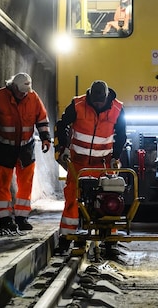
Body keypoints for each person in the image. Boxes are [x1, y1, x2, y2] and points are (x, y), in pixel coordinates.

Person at [54, 80, 127, 252]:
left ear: (107, 96)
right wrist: (63, 148)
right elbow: (62, 124)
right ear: (90, 96)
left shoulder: (117, 109)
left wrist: (115, 157)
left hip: (103, 163)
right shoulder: (78, 104)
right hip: (78, 162)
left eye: (100, 101)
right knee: (72, 198)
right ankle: (66, 238)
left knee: (109, 200)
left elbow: (122, 135)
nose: (98, 103)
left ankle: (110, 240)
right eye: (95, 101)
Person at [0, 73, 52, 232]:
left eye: (26, 92)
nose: (23, 94)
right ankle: (5, 219)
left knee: (26, 183)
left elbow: (41, 119)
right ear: (12, 87)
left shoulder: (33, 97)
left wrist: (46, 138)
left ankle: (22, 217)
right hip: (4, 146)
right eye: (21, 92)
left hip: (26, 148)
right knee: (2, 183)